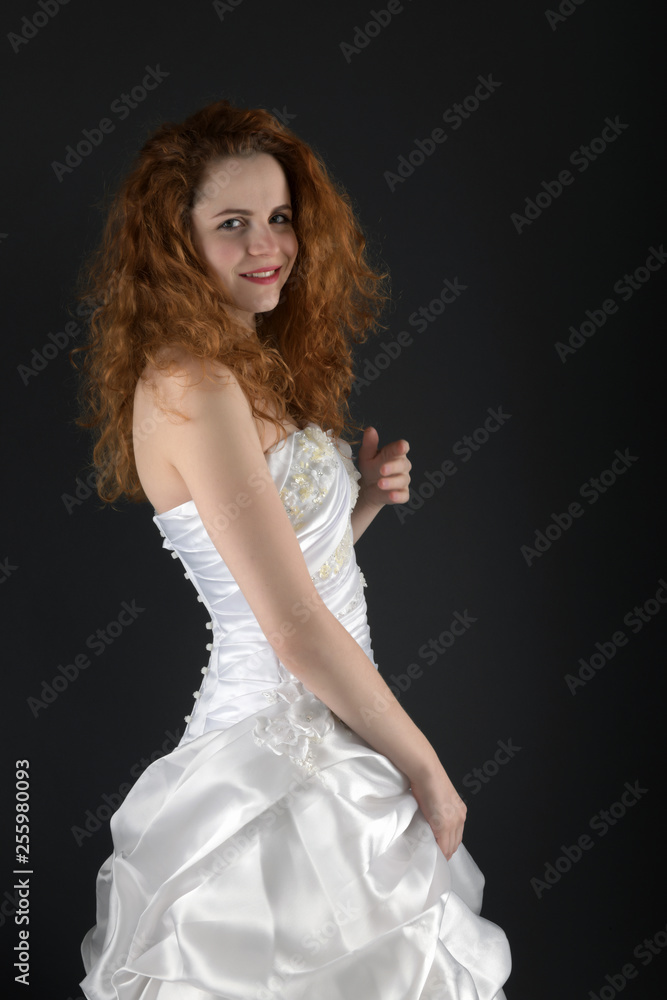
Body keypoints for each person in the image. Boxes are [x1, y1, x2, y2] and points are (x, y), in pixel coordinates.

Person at [73, 99, 511, 999]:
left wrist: (358, 504)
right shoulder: (193, 384)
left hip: (333, 729)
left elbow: (280, 572)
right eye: (231, 223)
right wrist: (427, 769)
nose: (267, 244)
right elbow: (291, 628)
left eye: (278, 216)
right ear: (176, 242)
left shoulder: (240, 363)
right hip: (273, 758)